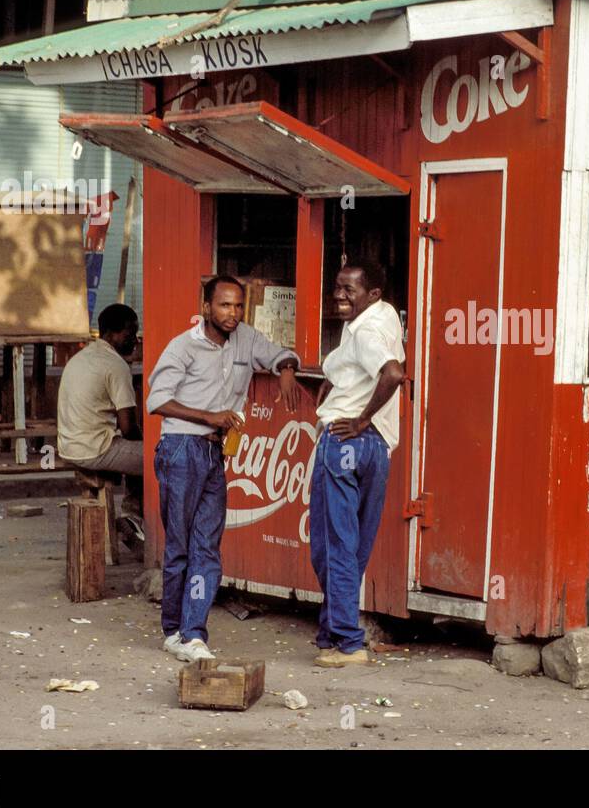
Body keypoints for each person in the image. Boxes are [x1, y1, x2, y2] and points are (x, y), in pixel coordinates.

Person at [146, 275, 302, 662]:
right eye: (224, 306)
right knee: (180, 546)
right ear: (206, 308)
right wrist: (208, 416)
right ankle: (173, 631)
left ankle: (193, 633)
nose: (232, 314)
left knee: (207, 547)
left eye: (237, 306)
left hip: (215, 453)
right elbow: (157, 400)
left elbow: (279, 352)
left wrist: (285, 369)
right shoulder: (183, 346)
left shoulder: (246, 338)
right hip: (181, 449)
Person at [309, 260, 405, 668]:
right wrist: (335, 383)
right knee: (353, 545)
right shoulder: (382, 318)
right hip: (375, 448)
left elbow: (393, 373)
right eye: (337, 286)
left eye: (349, 289)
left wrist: (360, 417)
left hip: (346, 439)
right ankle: (333, 634)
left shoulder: (365, 330)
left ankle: (348, 643)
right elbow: (366, 367)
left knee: (333, 545)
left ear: (373, 294)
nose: (340, 295)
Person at [57, 303, 142, 478]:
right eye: (129, 335)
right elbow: (128, 429)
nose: (135, 340)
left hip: (67, 447)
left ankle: (134, 503)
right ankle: (134, 505)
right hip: (93, 450)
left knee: (137, 452)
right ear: (110, 334)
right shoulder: (116, 365)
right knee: (158, 458)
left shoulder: (80, 357)